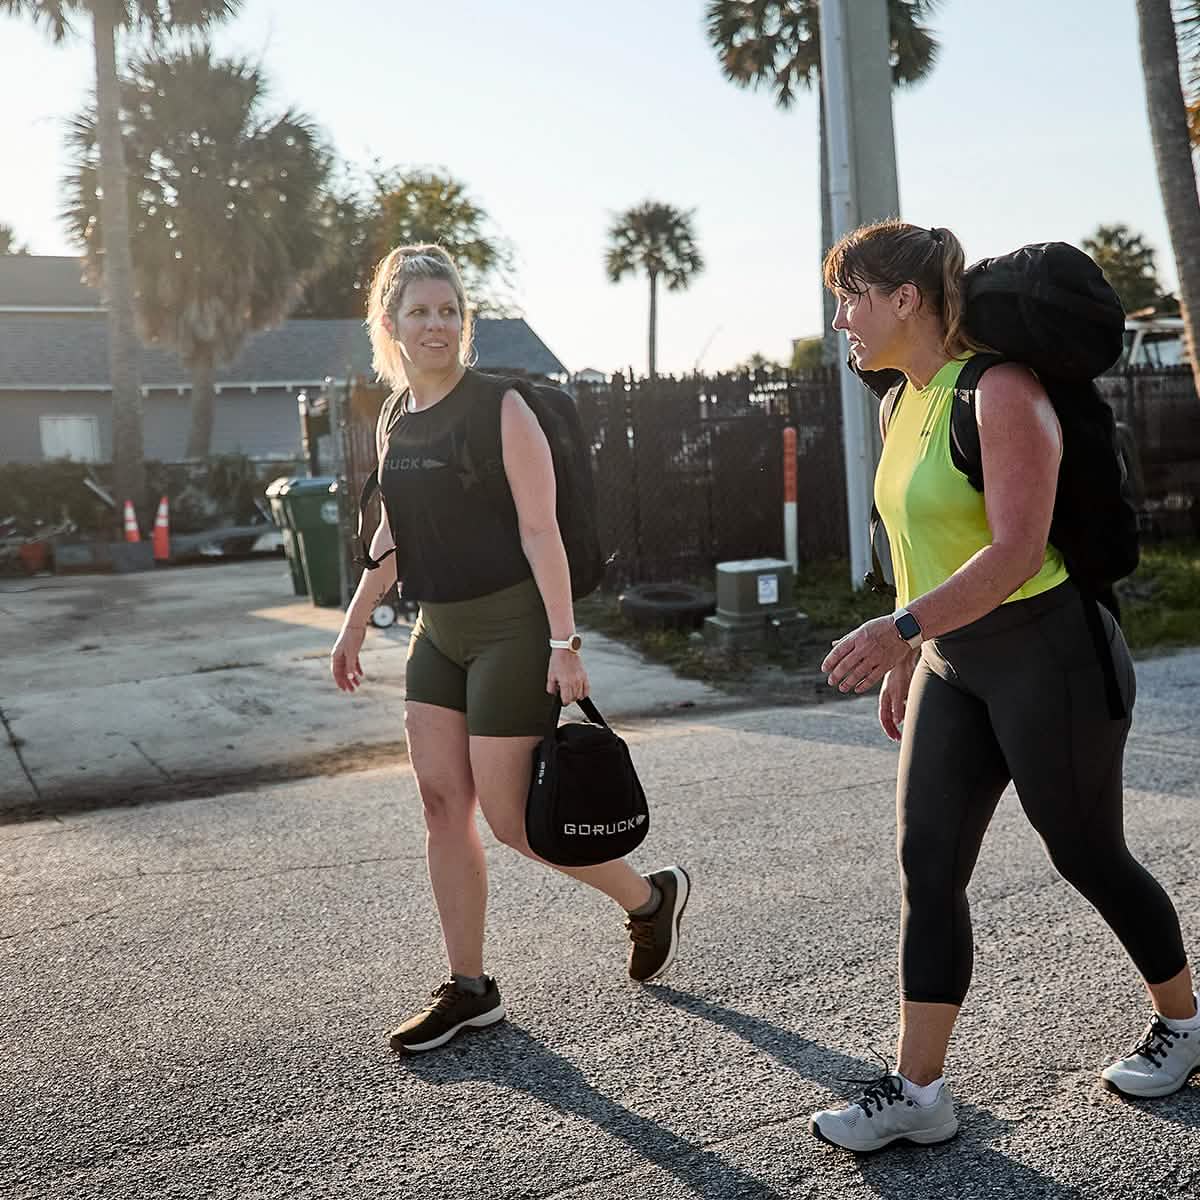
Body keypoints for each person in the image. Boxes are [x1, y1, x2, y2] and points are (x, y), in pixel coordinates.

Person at [808, 220, 1198, 1153]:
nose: (842, 320)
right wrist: (912, 652)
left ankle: (1186, 1025)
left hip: (1046, 653)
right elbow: (912, 542)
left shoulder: (1002, 390)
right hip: (956, 660)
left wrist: (897, 629)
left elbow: (1017, 548)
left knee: (1087, 853)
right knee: (928, 863)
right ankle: (919, 1090)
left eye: (853, 296)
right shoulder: (903, 398)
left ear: (907, 300)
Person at [328, 244, 689, 1054]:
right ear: (389, 324)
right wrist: (354, 622)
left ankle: (647, 897)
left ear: (465, 320)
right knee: (439, 806)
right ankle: (470, 987)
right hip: (437, 630)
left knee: (515, 821)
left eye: (449, 309)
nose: (437, 324)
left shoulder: (502, 407)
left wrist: (565, 642)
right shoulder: (394, 418)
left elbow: (541, 530)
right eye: (419, 311)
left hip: (512, 629)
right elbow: (391, 533)